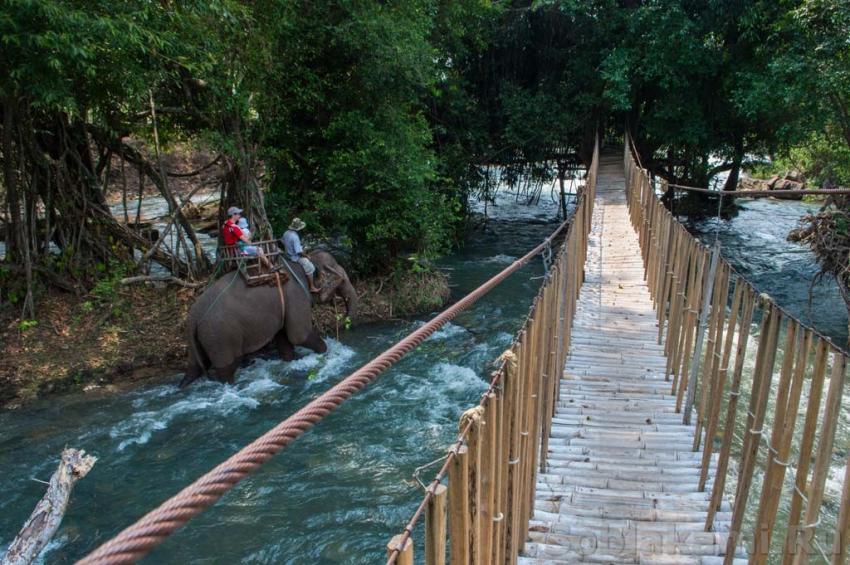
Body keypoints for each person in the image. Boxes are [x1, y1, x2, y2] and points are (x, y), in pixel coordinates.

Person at [282, 217, 320, 293]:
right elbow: (299, 252)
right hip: (294, 257)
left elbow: (282, 241)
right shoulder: (295, 237)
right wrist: (306, 256)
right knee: (309, 266)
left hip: (287, 254)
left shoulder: (286, 233)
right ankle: (312, 287)